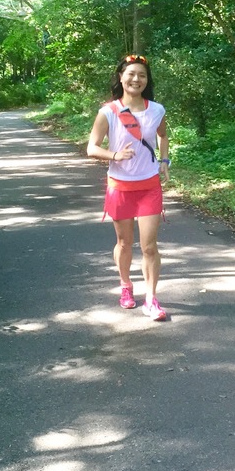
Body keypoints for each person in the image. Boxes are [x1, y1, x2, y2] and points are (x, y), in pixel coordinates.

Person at [87, 54, 171, 321]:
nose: (137, 79)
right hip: (120, 186)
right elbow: (91, 148)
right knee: (124, 243)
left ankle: (151, 299)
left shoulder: (156, 109)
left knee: (149, 247)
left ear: (147, 81)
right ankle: (126, 286)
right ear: (121, 77)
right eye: (131, 74)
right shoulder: (108, 112)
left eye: (142, 75)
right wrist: (114, 155)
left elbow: (163, 135)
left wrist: (165, 161)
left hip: (149, 186)